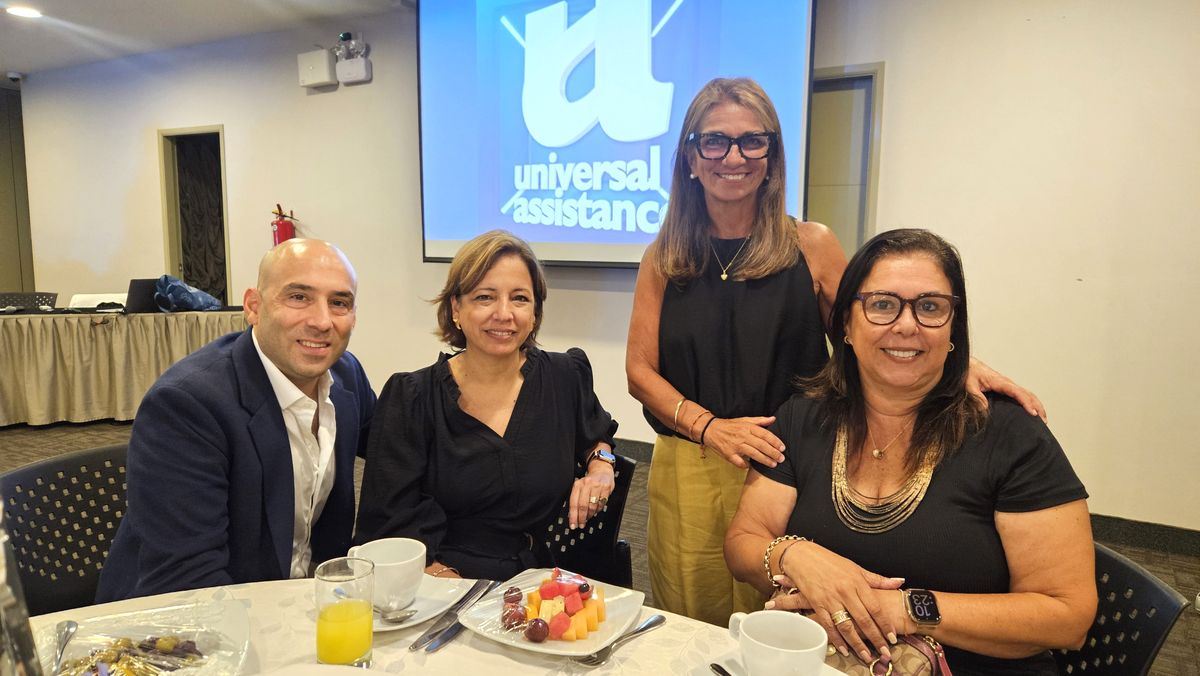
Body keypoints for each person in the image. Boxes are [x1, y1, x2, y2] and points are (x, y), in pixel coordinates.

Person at [625, 77, 1046, 626]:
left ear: (772, 158)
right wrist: (710, 428)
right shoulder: (663, 257)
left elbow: (875, 328)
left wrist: (960, 363)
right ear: (690, 158)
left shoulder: (811, 244)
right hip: (691, 462)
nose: (734, 156)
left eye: (753, 141)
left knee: (791, 618)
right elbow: (639, 371)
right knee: (690, 620)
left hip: (789, 465)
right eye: (715, 141)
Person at [725, 229, 1095, 674]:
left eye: (930, 307)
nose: (906, 325)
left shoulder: (1012, 436)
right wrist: (795, 555)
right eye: (882, 304)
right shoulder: (803, 418)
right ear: (846, 324)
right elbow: (743, 543)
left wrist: (899, 609)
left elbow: (1067, 616)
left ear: (953, 327)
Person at [97, 239, 376, 601]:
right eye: (298, 297)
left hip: (306, 601)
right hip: (188, 617)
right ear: (253, 307)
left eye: (339, 303)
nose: (322, 321)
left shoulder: (346, 375)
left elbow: (403, 452)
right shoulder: (187, 405)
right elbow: (188, 582)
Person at [354, 230, 618, 581]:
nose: (504, 313)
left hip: (539, 580)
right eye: (485, 297)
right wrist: (446, 585)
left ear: (535, 313)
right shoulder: (413, 398)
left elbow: (595, 433)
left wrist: (601, 466)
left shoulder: (564, 376)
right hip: (442, 581)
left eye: (519, 298)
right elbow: (388, 526)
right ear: (456, 309)